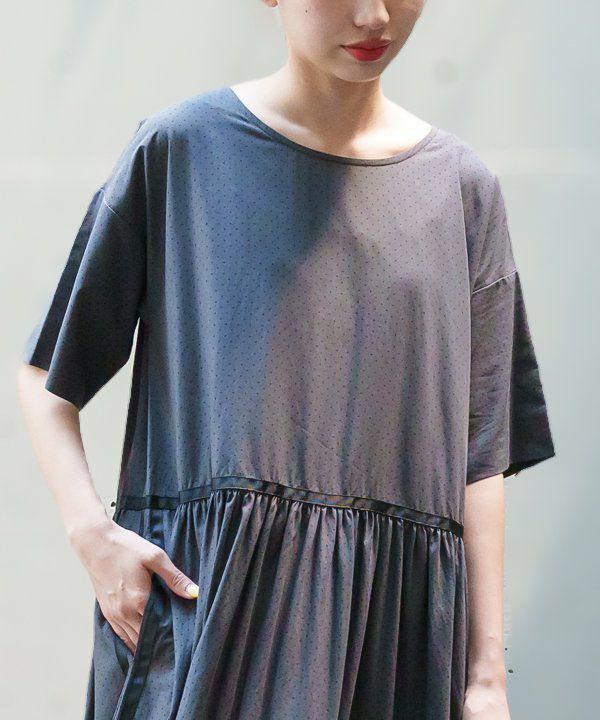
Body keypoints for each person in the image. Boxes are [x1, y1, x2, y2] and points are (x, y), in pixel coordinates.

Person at [17, 1, 556, 719]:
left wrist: (488, 678)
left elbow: (479, 455)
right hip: (213, 612)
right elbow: (47, 376)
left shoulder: (463, 191)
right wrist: (93, 536)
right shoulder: (182, 151)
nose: (374, 15)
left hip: (392, 637)